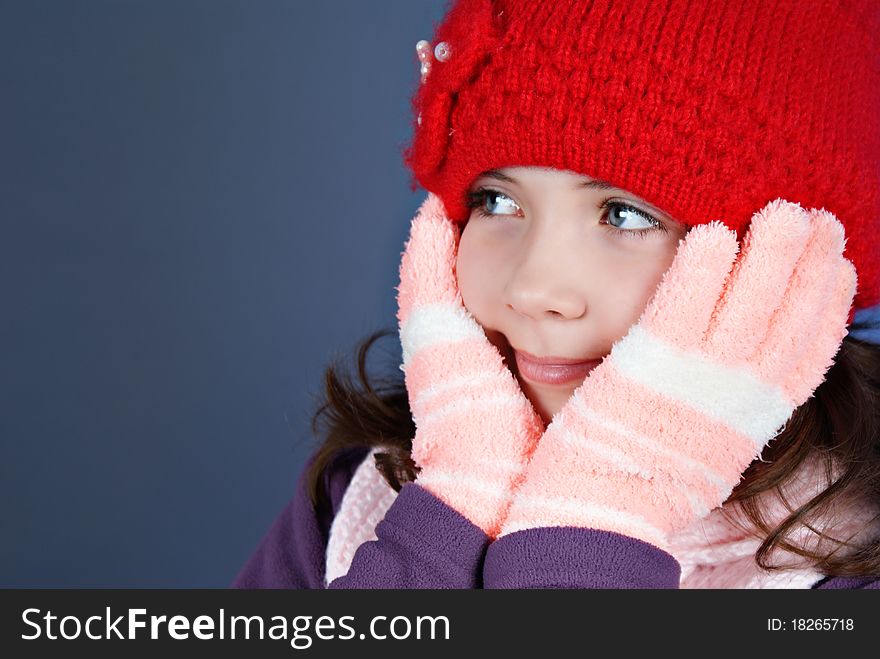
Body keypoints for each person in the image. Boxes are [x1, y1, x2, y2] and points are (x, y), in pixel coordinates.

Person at [232, 0, 880, 589]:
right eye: (496, 200)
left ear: (790, 270)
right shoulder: (363, 501)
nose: (532, 288)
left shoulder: (846, 557)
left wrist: (593, 517)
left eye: (625, 215)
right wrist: (441, 526)